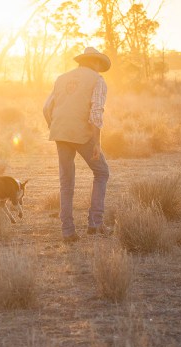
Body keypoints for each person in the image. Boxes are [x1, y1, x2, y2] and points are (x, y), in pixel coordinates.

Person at [43, 47, 112, 243]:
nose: (99, 68)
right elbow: (96, 112)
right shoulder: (97, 80)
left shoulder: (61, 78)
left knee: (66, 183)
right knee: (102, 172)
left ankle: (68, 231)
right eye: (99, 64)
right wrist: (97, 142)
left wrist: (54, 125)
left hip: (60, 132)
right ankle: (95, 224)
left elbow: (46, 107)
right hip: (82, 134)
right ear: (95, 62)